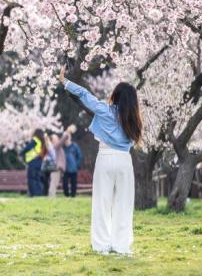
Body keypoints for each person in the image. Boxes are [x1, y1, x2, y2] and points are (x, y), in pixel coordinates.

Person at [60, 67, 142, 255]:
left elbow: (84, 94)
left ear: (116, 96)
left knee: (101, 203)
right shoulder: (133, 118)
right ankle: (121, 246)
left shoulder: (105, 110)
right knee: (123, 203)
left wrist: (65, 81)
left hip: (105, 158)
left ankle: (101, 245)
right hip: (123, 161)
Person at [47, 126, 75, 197]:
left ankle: (52, 196)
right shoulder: (55, 146)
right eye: (56, 138)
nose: (57, 139)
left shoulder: (56, 146)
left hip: (58, 167)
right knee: (54, 182)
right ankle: (51, 197)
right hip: (56, 167)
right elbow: (63, 140)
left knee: (54, 182)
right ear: (52, 140)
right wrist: (67, 131)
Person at [21, 129, 48, 197]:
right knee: (37, 178)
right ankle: (39, 193)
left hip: (33, 161)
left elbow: (28, 148)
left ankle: (33, 194)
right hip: (39, 161)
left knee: (31, 178)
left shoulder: (35, 140)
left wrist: (21, 152)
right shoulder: (42, 141)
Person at [62, 130, 83, 198]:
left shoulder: (75, 146)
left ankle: (73, 196)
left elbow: (80, 156)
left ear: (70, 137)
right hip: (64, 168)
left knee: (73, 183)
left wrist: (77, 165)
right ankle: (66, 195)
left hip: (73, 168)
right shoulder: (62, 147)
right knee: (65, 183)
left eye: (68, 137)